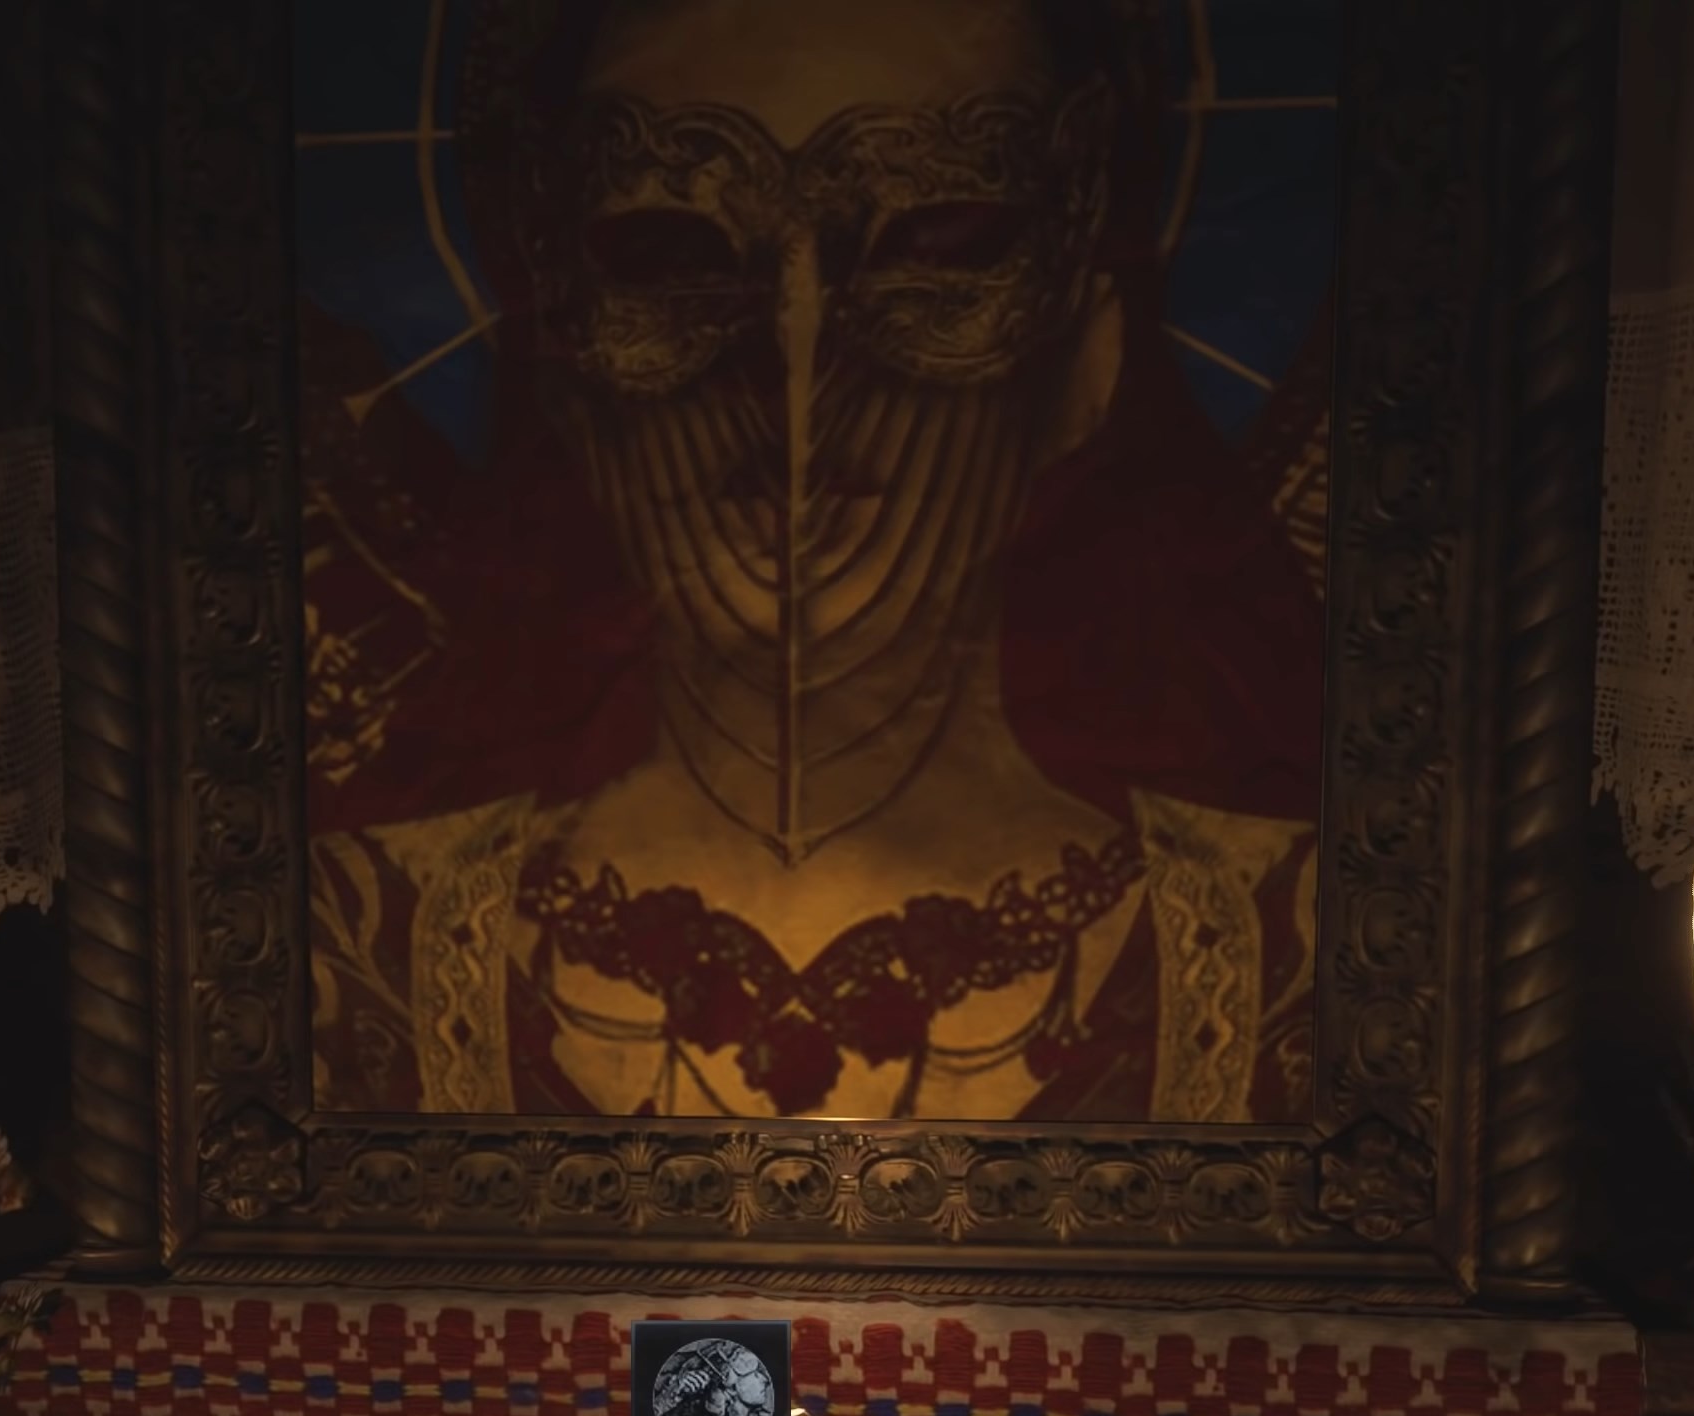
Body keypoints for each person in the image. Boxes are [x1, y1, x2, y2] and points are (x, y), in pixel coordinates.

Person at [304, 0, 1328, 1122]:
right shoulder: (350, 936)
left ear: (1089, 355)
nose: (797, 365)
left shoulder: (1298, 936)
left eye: (935, 247)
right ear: (563, 378)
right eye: (668, 255)